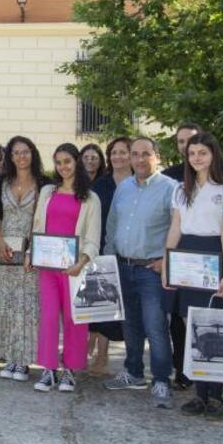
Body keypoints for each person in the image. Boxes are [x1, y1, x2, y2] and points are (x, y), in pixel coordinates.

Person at [164, 132, 223, 419]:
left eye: (202, 153)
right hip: (186, 258)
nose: (197, 158)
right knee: (192, 328)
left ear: (213, 155)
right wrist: (167, 263)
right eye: (192, 153)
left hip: (213, 257)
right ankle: (199, 394)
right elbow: (175, 228)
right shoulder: (179, 190)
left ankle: (216, 397)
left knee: (212, 326)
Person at [102, 137, 177, 408]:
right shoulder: (123, 188)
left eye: (146, 154)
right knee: (130, 325)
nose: (140, 159)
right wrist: (110, 260)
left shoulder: (171, 189)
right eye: (135, 154)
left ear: (157, 156)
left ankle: (160, 380)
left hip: (151, 270)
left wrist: (166, 261)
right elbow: (112, 225)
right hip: (123, 266)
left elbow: (178, 229)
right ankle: (133, 372)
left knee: (155, 326)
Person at [29, 143, 101, 394]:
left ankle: (70, 370)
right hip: (47, 267)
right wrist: (31, 253)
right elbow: (38, 225)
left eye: (67, 161)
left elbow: (92, 237)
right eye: (58, 162)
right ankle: (48, 369)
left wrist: (82, 262)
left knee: (74, 320)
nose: (63, 167)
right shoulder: (48, 191)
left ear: (77, 161)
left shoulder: (91, 198)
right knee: (48, 317)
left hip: (75, 269)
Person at [0, 136, 49, 381]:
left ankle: (23, 360)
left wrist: (30, 245)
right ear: (10, 157)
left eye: (25, 151)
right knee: (5, 304)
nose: (21, 156)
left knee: (27, 306)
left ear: (33, 154)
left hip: (30, 253)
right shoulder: (1, 181)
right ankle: (8, 356)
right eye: (16, 152)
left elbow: (42, 219)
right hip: (3, 250)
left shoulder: (44, 183)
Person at [160, 122, 202, 389]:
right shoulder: (169, 177)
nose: (185, 146)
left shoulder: (219, 176)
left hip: (207, 256)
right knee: (177, 317)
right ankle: (182, 372)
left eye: (191, 140)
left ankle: (206, 376)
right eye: (180, 142)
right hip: (178, 254)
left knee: (202, 316)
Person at [87, 136, 132, 374]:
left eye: (123, 152)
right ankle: (97, 355)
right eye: (114, 152)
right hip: (101, 250)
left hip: (129, 253)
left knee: (119, 309)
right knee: (100, 305)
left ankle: (112, 359)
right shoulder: (101, 185)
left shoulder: (139, 183)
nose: (118, 157)